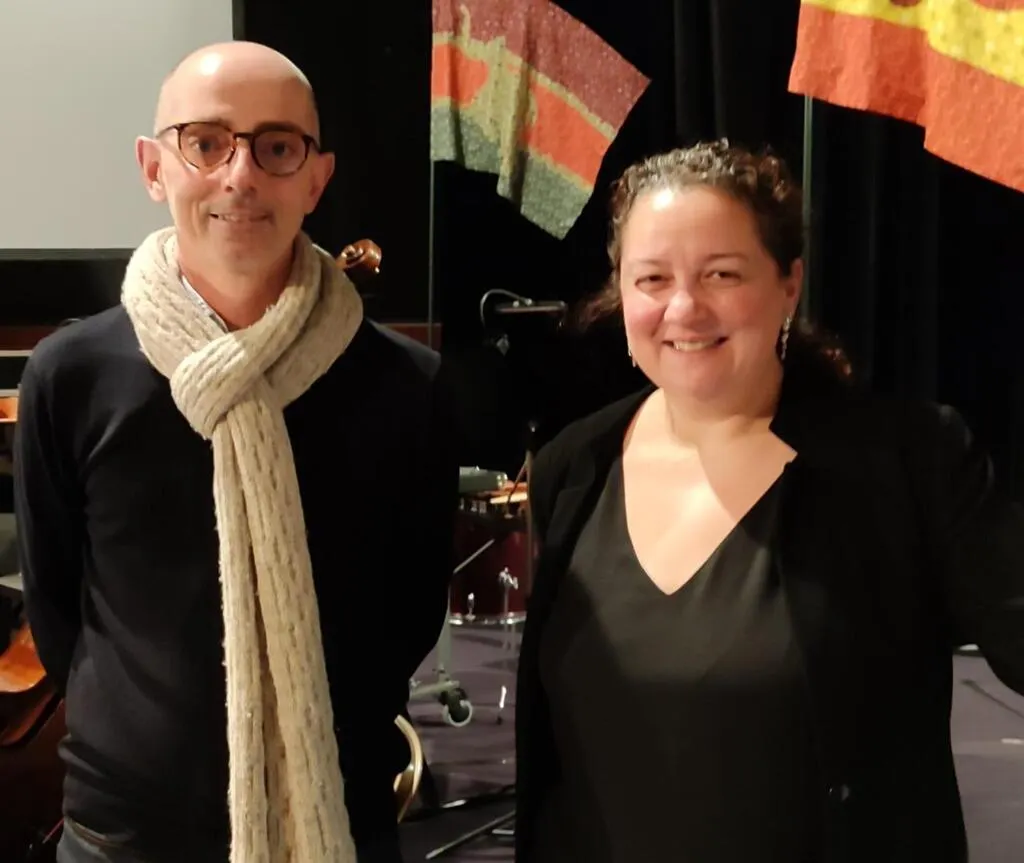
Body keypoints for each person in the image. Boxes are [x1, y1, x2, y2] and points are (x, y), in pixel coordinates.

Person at [514, 140, 1024, 862]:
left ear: (790, 284)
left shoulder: (909, 463)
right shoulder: (574, 465)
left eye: (721, 273)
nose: (684, 307)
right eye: (653, 278)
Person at [14, 41, 458, 863]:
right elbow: (58, 614)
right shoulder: (70, 375)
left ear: (316, 179)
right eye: (207, 142)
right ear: (154, 168)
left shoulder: (408, 387)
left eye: (276, 146)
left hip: (338, 824)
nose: (240, 175)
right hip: (122, 836)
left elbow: (409, 613)